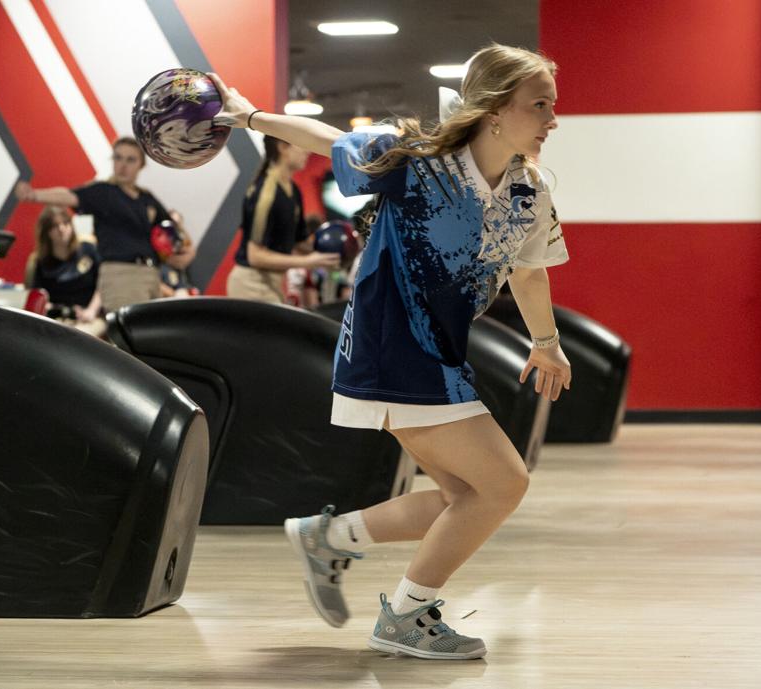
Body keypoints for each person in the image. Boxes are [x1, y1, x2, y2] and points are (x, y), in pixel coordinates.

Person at [209, 42, 571, 661]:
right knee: (503, 484)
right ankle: (405, 614)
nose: (553, 119)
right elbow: (326, 139)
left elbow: (529, 273)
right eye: (539, 105)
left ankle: (331, 536)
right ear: (492, 109)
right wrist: (249, 118)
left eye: (552, 106)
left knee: (468, 497)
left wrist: (548, 344)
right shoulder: (418, 162)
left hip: (441, 354)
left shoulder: (527, 192)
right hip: (390, 347)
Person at [14, 137, 195, 312]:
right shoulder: (103, 192)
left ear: (141, 165)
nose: (122, 165)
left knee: (147, 338)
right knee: (132, 337)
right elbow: (69, 195)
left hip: (150, 275)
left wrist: (186, 254)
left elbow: (174, 231)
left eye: (130, 159)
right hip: (121, 276)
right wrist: (35, 195)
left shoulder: (146, 198)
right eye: (118, 157)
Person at [227, 135, 339, 303]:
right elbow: (255, 256)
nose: (307, 151)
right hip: (251, 284)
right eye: (301, 144)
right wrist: (308, 261)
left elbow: (299, 242)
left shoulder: (293, 190)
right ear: (282, 147)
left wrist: (332, 253)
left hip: (273, 282)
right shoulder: (266, 192)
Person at [24, 205, 105, 337]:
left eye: (65, 223)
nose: (61, 229)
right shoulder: (40, 262)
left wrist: (91, 310)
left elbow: (103, 284)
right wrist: (50, 308)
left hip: (89, 316)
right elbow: (38, 297)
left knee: (79, 338)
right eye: (54, 226)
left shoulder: (88, 249)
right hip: (56, 319)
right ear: (46, 232)